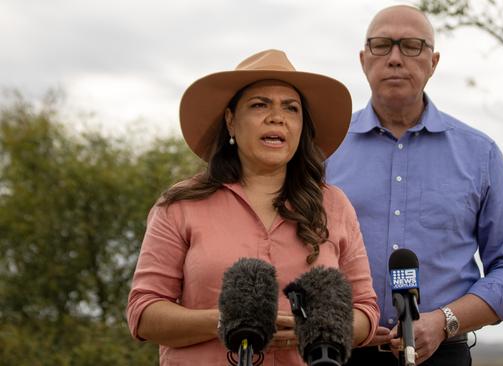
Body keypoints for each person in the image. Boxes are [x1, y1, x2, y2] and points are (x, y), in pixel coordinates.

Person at [127, 49, 379, 365]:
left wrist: (314, 328)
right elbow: (144, 311)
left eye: (291, 108)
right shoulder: (180, 205)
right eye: (260, 105)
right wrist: (229, 322)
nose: (277, 117)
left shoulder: (335, 204)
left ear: (302, 128)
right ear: (231, 121)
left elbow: (365, 312)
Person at [326, 5, 503, 366]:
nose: (394, 58)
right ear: (363, 59)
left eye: (411, 46)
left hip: (442, 352)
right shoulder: (322, 150)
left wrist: (445, 321)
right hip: (337, 352)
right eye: (381, 45)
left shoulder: (479, 154)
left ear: (433, 62)